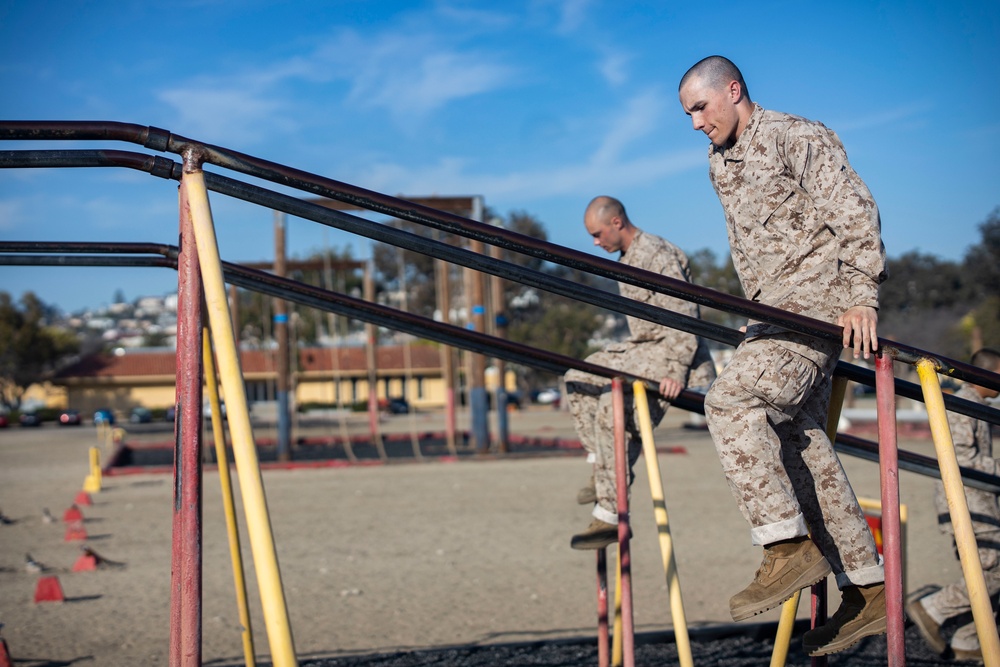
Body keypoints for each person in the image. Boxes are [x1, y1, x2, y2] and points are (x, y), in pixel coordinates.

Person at [678, 56, 889, 656]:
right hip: (770, 312)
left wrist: (861, 297)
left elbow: (853, 210)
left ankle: (785, 546)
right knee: (801, 441)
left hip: (817, 304)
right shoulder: (720, 163)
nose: (695, 123)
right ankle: (866, 589)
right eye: (688, 113)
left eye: (700, 107)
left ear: (733, 91)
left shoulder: (796, 135)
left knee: (731, 400)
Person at [564, 195, 716, 550]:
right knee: (579, 376)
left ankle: (608, 515)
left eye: (598, 234)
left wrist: (676, 369)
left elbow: (682, 312)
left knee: (610, 408)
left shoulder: (656, 254)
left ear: (617, 222)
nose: (595, 242)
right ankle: (601, 466)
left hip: (674, 351)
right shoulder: (628, 257)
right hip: (646, 349)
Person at [907, 347, 1000, 662]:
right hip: (967, 502)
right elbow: (962, 458)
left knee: (988, 569)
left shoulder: (976, 404)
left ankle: (968, 638)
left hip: (977, 501)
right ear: (985, 373)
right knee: (993, 571)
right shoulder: (963, 404)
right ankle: (933, 609)